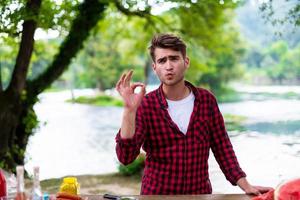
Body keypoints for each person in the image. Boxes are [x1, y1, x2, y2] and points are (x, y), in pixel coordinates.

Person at [115, 33, 272, 195]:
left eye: (174, 58)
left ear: (186, 62)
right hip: (157, 196)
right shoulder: (146, 105)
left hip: (199, 195)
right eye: (162, 61)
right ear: (155, 67)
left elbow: (223, 148)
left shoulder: (206, 101)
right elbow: (126, 157)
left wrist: (246, 186)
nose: (169, 66)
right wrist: (129, 110)